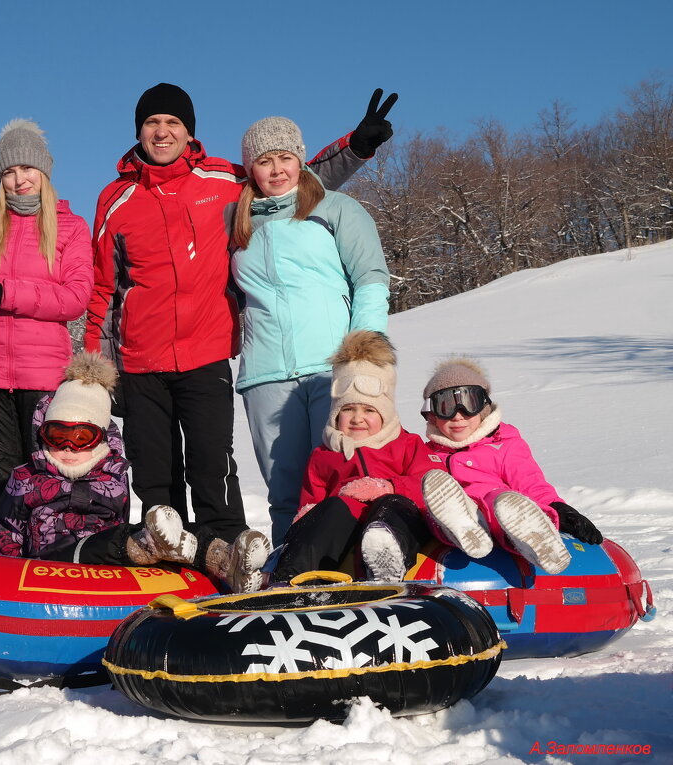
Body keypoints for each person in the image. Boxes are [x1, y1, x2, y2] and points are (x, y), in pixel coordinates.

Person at [84, 83, 396, 547]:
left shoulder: (223, 183)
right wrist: (96, 368)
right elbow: (103, 288)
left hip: (214, 353)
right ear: (139, 132)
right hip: (157, 359)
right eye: (153, 123)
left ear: (190, 133)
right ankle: (169, 554)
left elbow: (295, 180)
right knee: (158, 474)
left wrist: (356, 145)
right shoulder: (117, 199)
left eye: (173, 123)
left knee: (217, 467)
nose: (163, 132)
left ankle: (230, 550)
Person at [230, 116, 392, 545]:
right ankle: (288, 575)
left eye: (286, 157)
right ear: (251, 169)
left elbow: (371, 279)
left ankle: (353, 571)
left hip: (330, 368)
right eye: (265, 161)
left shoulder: (336, 208)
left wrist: (365, 352)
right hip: (264, 374)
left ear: (301, 161)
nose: (277, 169)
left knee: (345, 482)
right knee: (284, 494)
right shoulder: (236, 222)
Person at [0, 352, 272, 593]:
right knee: (113, 541)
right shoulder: (27, 478)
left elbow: (118, 518)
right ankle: (149, 545)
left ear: (100, 439)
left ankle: (226, 558)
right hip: (53, 560)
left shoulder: (110, 476)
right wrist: (11, 572)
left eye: (80, 438)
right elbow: (8, 529)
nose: (67, 447)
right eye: (57, 435)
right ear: (44, 434)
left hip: (107, 563)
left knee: (162, 532)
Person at [0, 119, 93, 510]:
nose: (19, 180)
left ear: (44, 171)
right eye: (9, 172)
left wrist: (2, 292)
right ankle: (10, 560)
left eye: (27, 169)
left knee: (48, 476)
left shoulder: (71, 228)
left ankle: (49, 560)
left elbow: (76, 297)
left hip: (45, 376)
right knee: (2, 479)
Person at [269, 331, 432, 582]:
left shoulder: (407, 444)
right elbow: (312, 498)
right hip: (343, 533)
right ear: (335, 413)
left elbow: (427, 485)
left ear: (385, 413)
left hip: (395, 525)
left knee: (391, 506)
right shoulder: (325, 454)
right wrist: (308, 518)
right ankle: (291, 578)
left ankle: (386, 564)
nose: (357, 418)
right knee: (331, 508)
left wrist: (388, 487)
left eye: (369, 410)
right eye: (348, 409)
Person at [417, 358, 603, 575]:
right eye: (445, 406)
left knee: (499, 499)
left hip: (497, 517)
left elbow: (530, 482)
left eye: (469, 404)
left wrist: (560, 510)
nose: (458, 415)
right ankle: (463, 526)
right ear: (432, 415)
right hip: (452, 527)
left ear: (484, 408)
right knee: (436, 501)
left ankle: (535, 537)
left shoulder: (504, 444)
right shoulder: (425, 454)